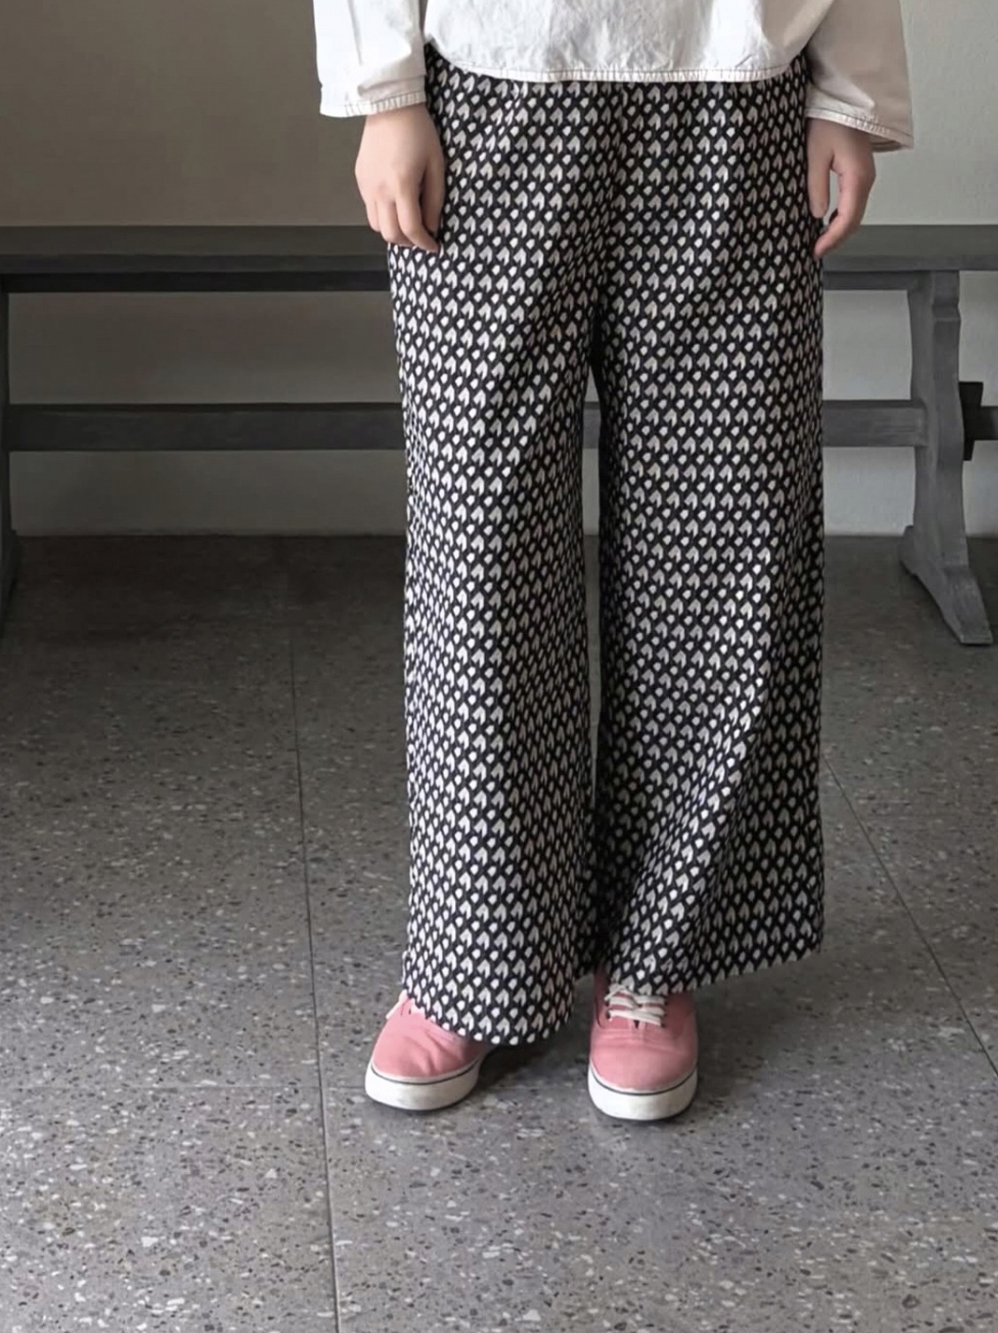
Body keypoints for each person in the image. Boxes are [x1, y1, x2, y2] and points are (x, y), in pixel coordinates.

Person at [311, 1, 914, 1120]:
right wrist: (385, 92)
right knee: (481, 544)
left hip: (736, 93)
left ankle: (654, 954)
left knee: (721, 543)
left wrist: (848, 92)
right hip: (491, 88)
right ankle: (472, 955)